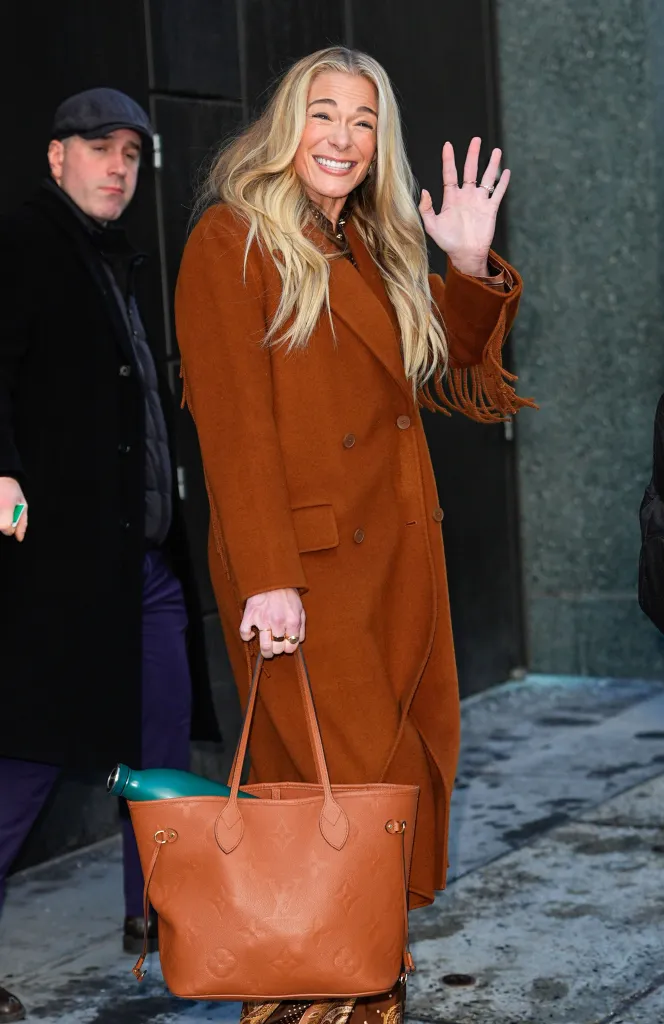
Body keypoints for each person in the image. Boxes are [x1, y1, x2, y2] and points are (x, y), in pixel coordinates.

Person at [176, 46, 534, 1024]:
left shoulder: (370, 246)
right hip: (304, 576)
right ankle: (320, 998)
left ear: (382, 144)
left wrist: (462, 263)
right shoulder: (232, 239)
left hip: (396, 569)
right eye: (324, 114)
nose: (343, 137)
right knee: (338, 798)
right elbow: (233, 425)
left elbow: (456, 385)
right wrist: (266, 579)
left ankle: (352, 985)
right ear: (287, 124)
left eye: (364, 121)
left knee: (383, 788)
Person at [0, 88, 218, 1023]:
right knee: (28, 762)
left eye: (132, 151)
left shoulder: (118, 259)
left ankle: (157, 920)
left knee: (160, 750)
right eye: (98, 147)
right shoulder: (23, 243)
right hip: (59, 569)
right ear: (56, 158)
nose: (117, 166)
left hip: (149, 565)